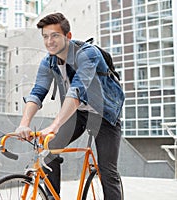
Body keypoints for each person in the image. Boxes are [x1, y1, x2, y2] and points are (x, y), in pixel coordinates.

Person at [15, 12, 125, 199]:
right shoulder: (48, 62)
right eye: (45, 37)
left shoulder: (88, 54)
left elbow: (76, 92)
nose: (49, 41)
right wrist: (23, 124)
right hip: (78, 115)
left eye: (55, 35)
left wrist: (54, 125)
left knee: (107, 171)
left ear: (68, 36)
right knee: (48, 152)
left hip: (105, 116)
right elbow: (37, 93)